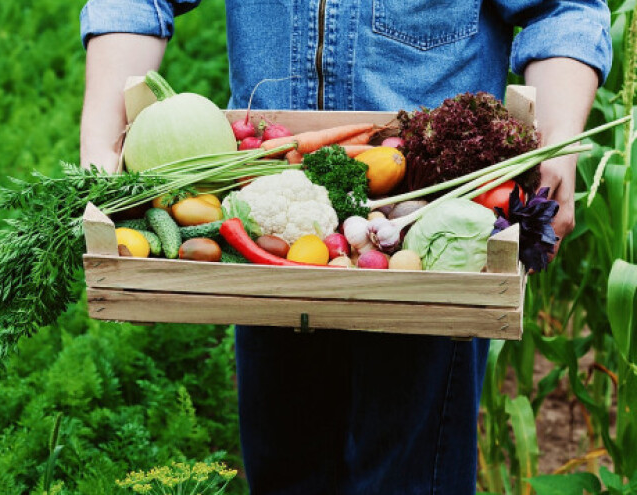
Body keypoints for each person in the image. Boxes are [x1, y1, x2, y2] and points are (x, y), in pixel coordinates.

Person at [78, 2, 612, 493]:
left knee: (409, 477)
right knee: (287, 472)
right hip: (267, 225)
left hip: (431, 243)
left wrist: (558, 143)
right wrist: (101, 143)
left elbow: (562, 8)